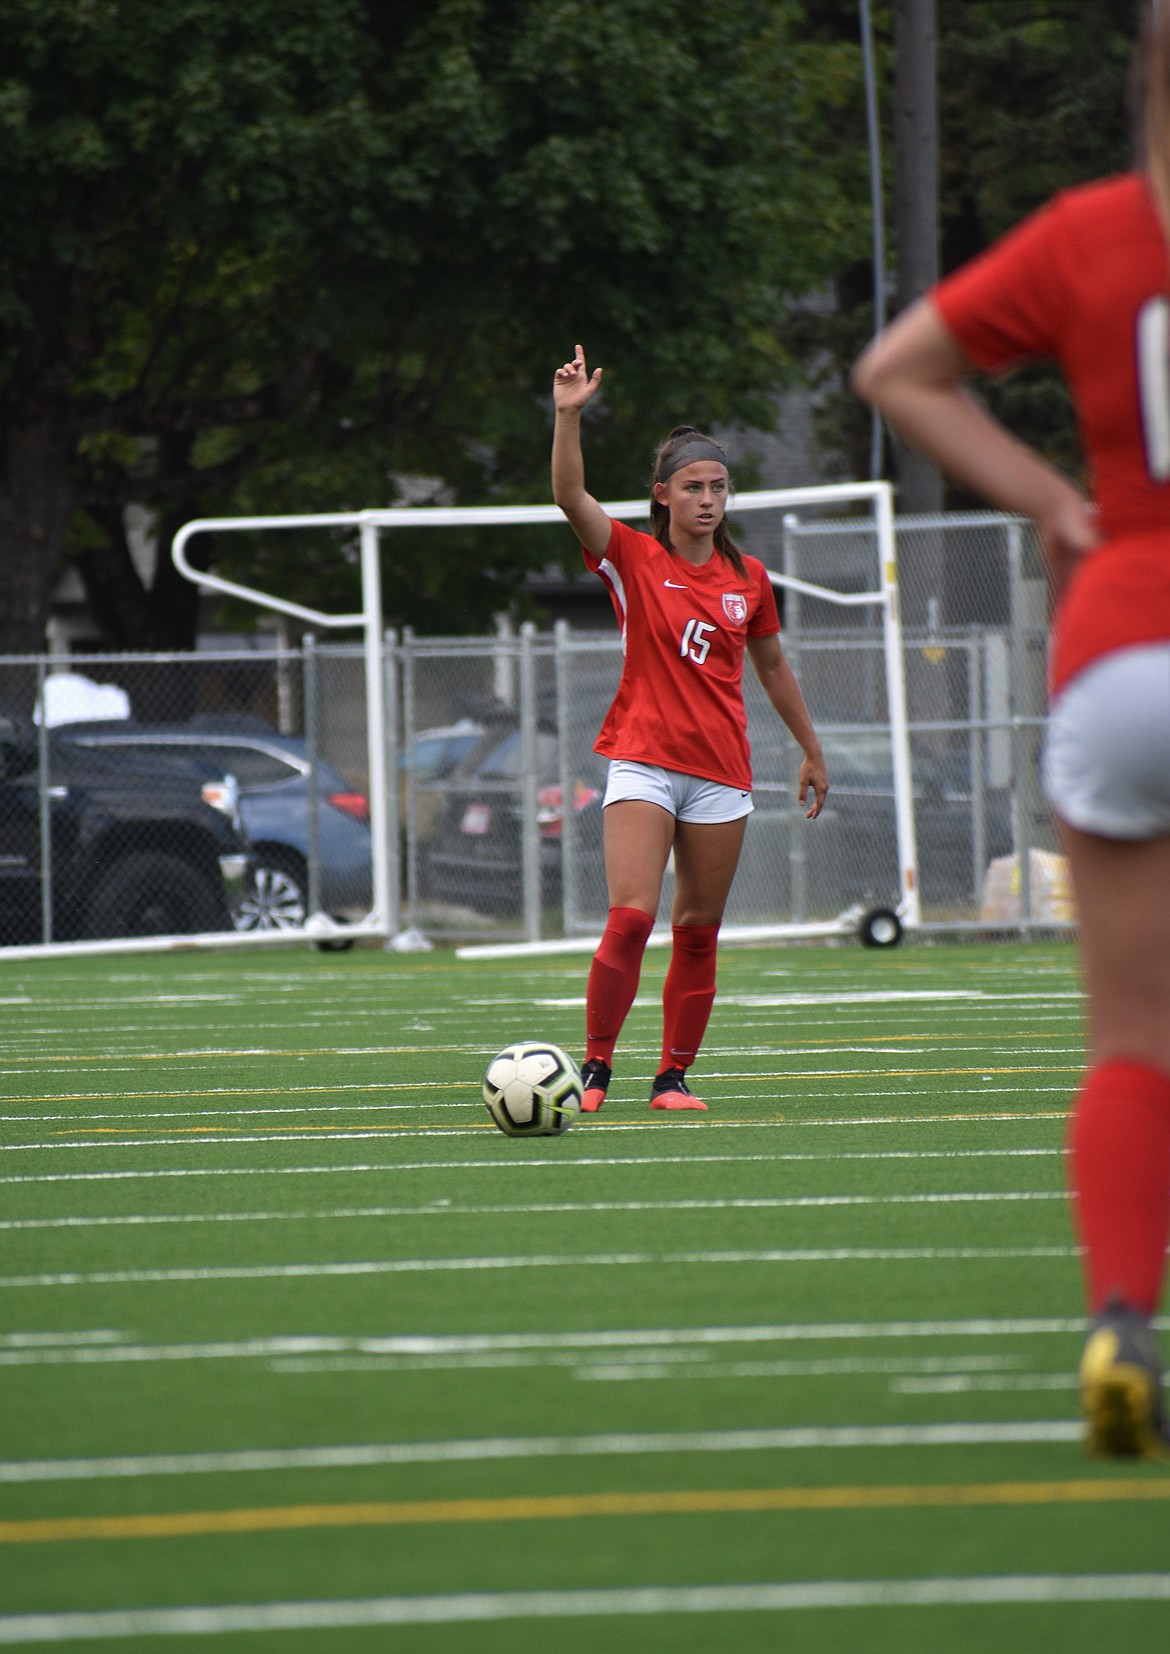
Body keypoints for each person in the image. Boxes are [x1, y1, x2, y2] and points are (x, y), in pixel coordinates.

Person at [851, 6, 1170, 1460]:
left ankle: (1117, 1319)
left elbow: (892, 371)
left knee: (1130, 1040)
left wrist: (1049, 500)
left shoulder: (1092, 231)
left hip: (1120, 656)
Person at [552, 344, 828, 1114]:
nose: (708, 499)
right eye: (693, 487)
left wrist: (811, 749)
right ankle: (596, 1069)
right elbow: (570, 495)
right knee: (633, 915)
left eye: (718, 487)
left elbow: (773, 668)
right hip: (642, 760)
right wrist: (568, 417)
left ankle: (671, 1079)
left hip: (721, 773)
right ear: (662, 496)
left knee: (698, 930)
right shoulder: (633, 558)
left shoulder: (750, 580)